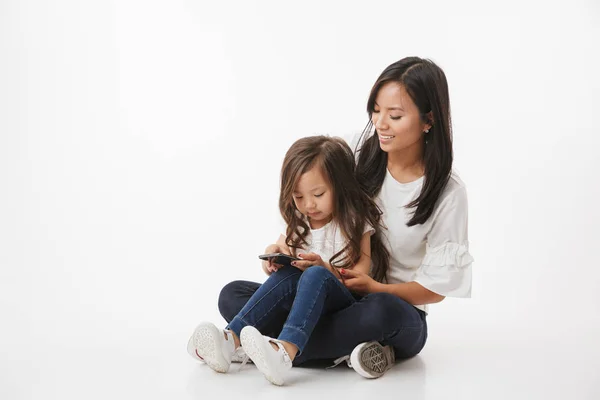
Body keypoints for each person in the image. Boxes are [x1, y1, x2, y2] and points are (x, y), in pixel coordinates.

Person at [193, 56, 474, 385]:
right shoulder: (356, 151)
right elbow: (310, 199)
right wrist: (284, 250)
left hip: (392, 310)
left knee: (380, 310)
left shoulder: (447, 192)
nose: (380, 123)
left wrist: (374, 287)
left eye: (395, 115)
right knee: (233, 294)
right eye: (376, 110)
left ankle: (279, 346)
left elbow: (434, 290)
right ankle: (328, 350)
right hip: (331, 297)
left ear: (428, 120)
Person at [187, 135, 390, 385]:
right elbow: (282, 250)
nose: (309, 205)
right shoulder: (298, 220)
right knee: (232, 292)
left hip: (340, 305)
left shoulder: (355, 220)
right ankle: (231, 340)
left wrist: (326, 269)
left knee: (313, 275)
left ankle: (284, 351)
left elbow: (362, 273)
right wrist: (272, 256)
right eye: (299, 197)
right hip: (301, 306)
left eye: (318, 194)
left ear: (339, 185)